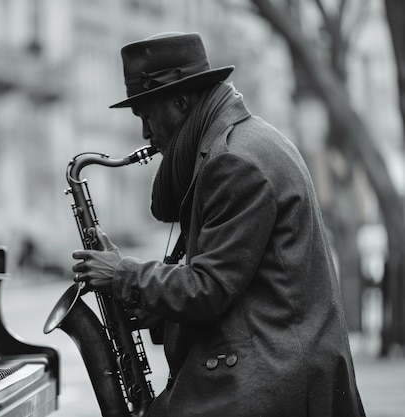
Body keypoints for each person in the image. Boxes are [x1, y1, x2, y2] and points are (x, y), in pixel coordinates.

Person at [72, 32, 366, 417]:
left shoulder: (234, 161)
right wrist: (160, 310)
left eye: (146, 115)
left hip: (277, 381)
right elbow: (246, 282)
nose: (145, 133)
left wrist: (123, 274)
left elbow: (209, 288)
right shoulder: (242, 141)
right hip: (277, 363)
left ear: (180, 101)